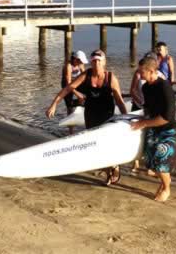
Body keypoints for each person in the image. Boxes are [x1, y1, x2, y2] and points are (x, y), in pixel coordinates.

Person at [46, 49, 128, 185]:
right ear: (91, 62)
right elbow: (68, 88)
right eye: (94, 61)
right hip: (90, 114)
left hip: (106, 115)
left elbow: (119, 100)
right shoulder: (86, 75)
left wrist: (126, 117)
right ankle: (109, 169)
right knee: (96, 145)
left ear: (104, 62)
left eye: (99, 61)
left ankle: (114, 166)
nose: (96, 64)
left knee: (106, 144)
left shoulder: (111, 78)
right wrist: (54, 104)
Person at [130, 57, 176, 202]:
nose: (139, 75)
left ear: (152, 71)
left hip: (171, 129)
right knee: (149, 160)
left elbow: (167, 117)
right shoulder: (146, 87)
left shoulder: (164, 87)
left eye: (142, 72)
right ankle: (164, 179)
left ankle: (166, 187)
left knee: (160, 158)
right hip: (155, 128)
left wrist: (144, 123)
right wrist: (138, 120)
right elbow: (148, 109)